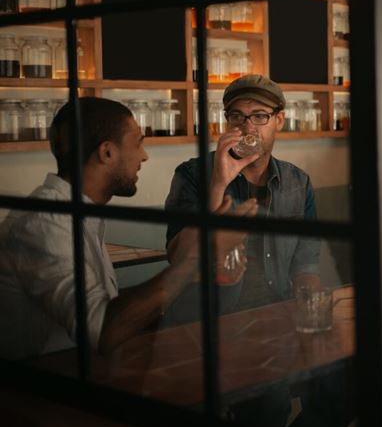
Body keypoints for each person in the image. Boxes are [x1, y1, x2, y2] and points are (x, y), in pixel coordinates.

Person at [0, 97, 253, 361]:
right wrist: (196, 259)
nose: (144, 155)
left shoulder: (79, 212)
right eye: (138, 143)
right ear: (107, 152)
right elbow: (103, 330)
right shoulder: (45, 223)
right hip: (38, 389)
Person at [164, 75, 343, 427]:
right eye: (237, 116)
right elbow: (178, 256)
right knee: (271, 400)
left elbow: (307, 265)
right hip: (211, 326)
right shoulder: (193, 175)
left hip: (276, 321)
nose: (247, 127)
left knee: (347, 382)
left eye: (258, 116)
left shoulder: (298, 183)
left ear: (279, 120)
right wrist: (220, 180)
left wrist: (312, 324)